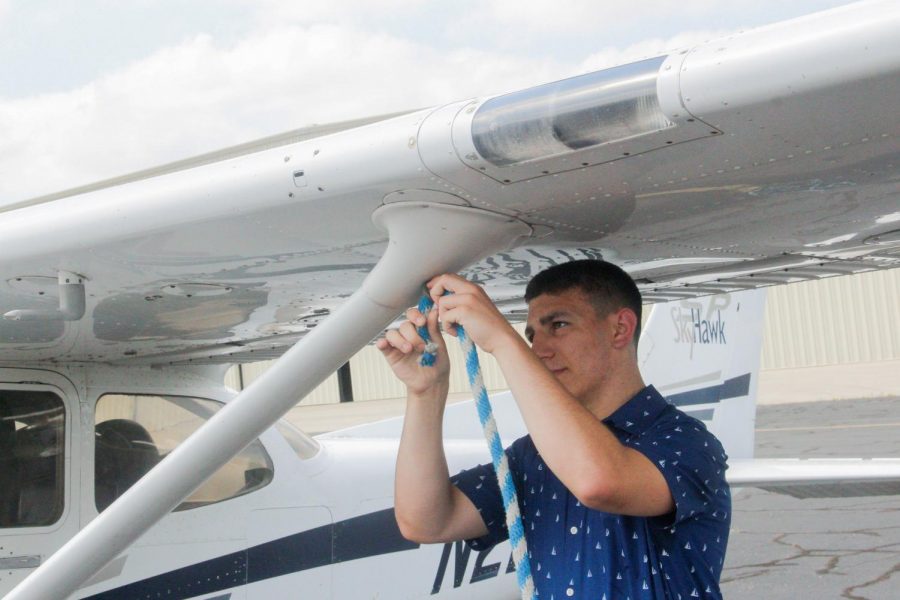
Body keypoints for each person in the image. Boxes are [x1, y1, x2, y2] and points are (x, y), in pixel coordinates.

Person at [377, 260, 730, 599]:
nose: (538, 349)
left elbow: (598, 482)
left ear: (620, 328)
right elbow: (426, 522)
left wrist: (501, 338)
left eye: (558, 325)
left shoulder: (687, 442)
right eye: (530, 335)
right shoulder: (533, 455)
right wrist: (426, 391)